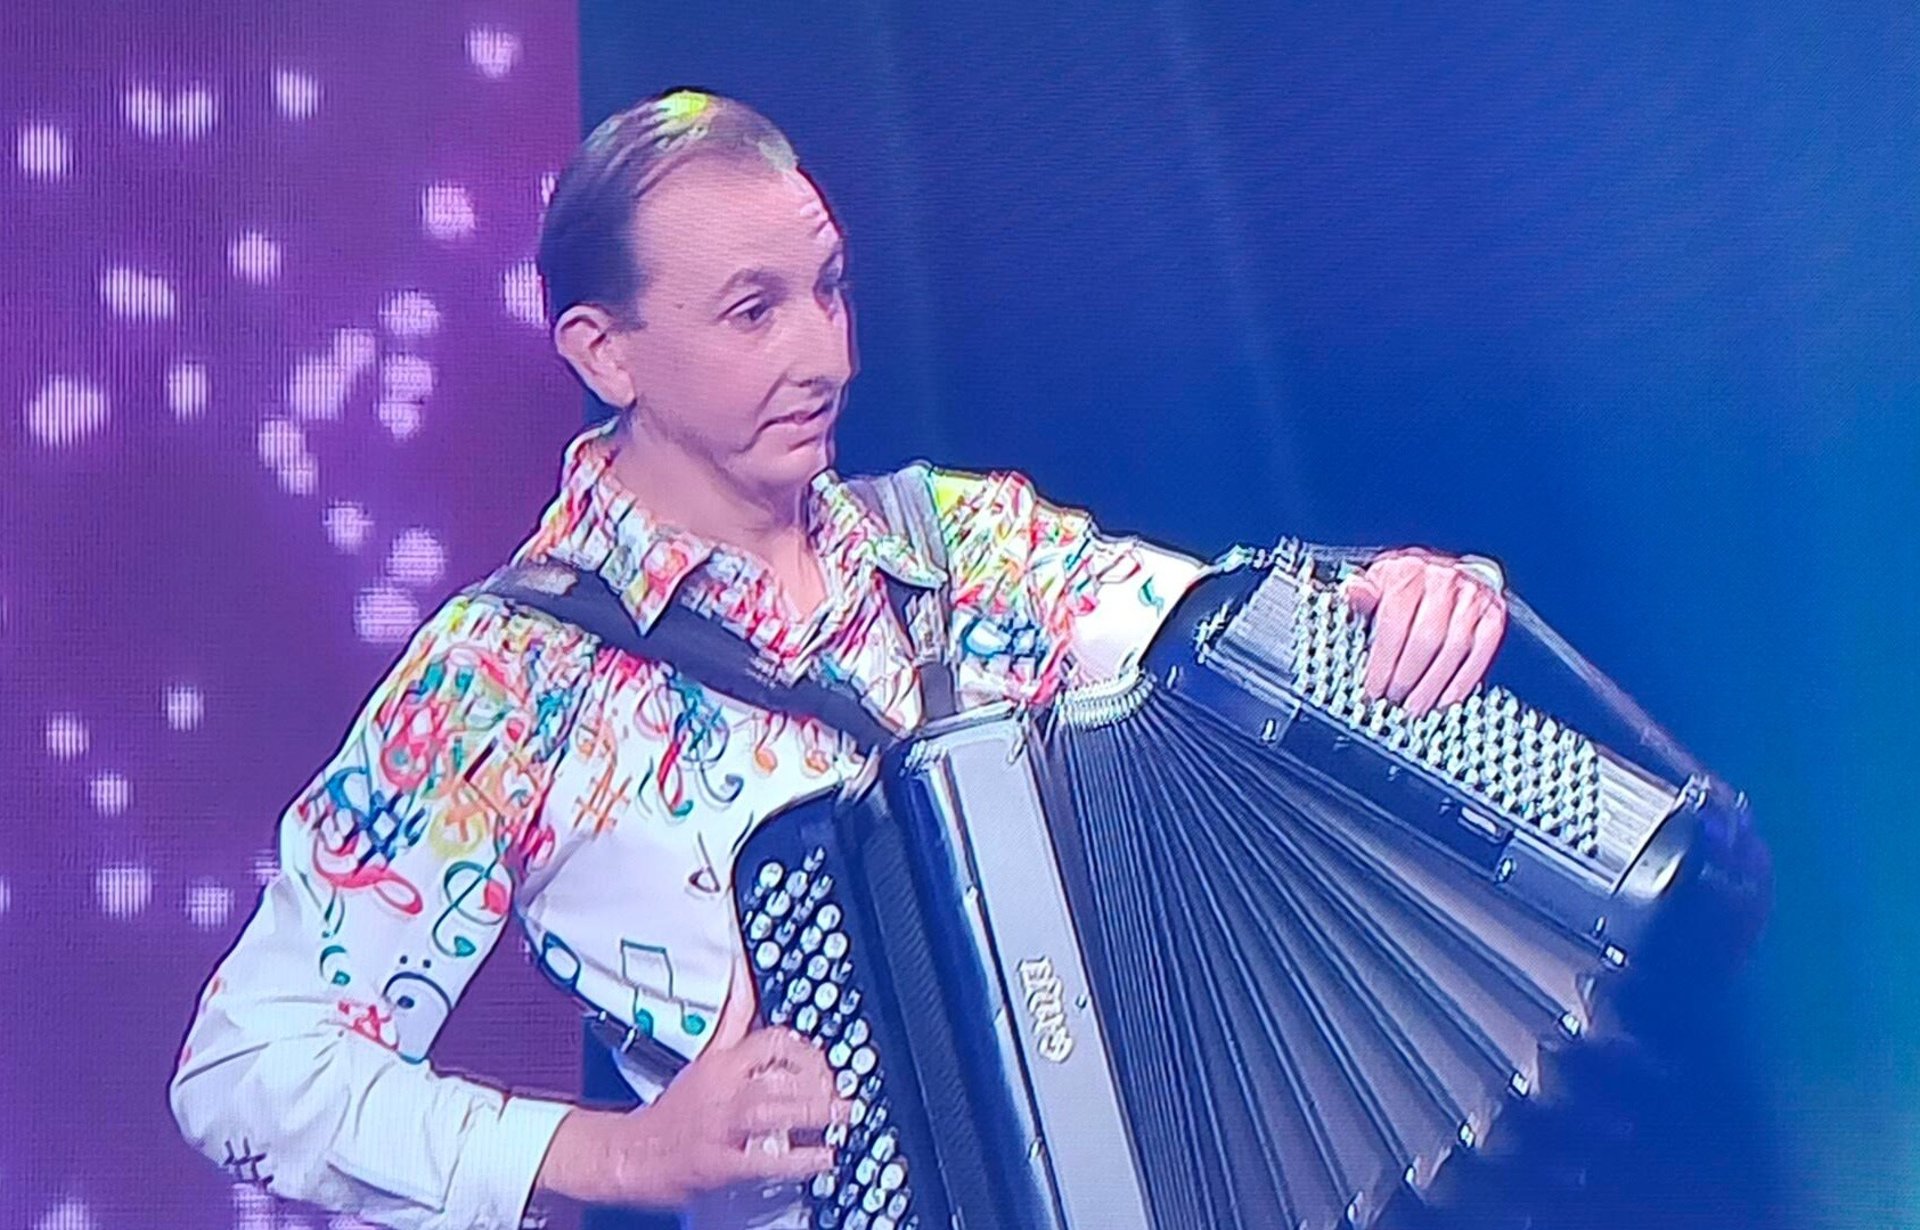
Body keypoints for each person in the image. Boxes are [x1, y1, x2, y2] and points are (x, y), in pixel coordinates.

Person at [167, 88, 1509, 1230]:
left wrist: (1394, 594)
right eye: (754, 313)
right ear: (604, 350)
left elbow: (1229, 632)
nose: (827, 353)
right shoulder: (507, 681)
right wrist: (618, 1151)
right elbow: (245, 1065)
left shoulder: (969, 541)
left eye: (830, 289)